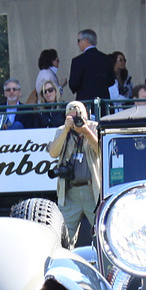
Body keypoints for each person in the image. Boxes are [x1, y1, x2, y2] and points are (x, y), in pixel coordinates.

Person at [48, 100, 100, 244]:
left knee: (102, 233)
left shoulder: (94, 128)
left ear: (86, 115)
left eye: (77, 116)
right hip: (70, 193)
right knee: (62, 238)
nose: (74, 120)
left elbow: (101, 151)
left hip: (92, 191)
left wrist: (86, 132)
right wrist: (65, 130)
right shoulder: (61, 131)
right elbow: (53, 152)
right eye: (70, 117)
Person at [68, 29, 110, 100]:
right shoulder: (106, 59)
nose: (78, 44)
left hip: (85, 102)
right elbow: (111, 81)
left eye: (79, 41)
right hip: (103, 102)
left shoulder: (78, 61)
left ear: (86, 41)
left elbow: (73, 84)